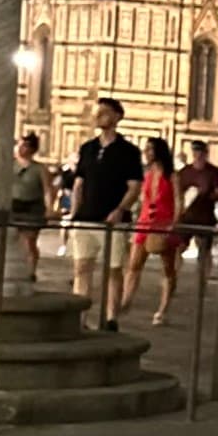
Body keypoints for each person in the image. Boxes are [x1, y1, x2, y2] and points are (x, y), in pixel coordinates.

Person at [64, 98, 142, 328]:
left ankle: (110, 318)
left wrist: (120, 210)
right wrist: (74, 214)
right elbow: (79, 184)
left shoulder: (129, 152)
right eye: (97, 112)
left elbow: (134, 187)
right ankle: (81, 317)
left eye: (105, 112)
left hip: (112, 221)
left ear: (118, 116)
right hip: (85, 219)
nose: (98, 116)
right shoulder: (88, 148)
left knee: (113, 269)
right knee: (81, 267)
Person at [116, 135, 180, 326]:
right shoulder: (145, 173)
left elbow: (178, 200)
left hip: (163, 223)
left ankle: (163, 309)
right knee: (133, 265)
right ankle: (126, 301)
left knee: (168, 269)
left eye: (149, 149)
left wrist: (174, 224)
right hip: (144, 222)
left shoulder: (172, 175)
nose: (146, 152)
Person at [177, 139, 218, 266]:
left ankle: (203, 280)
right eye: (195, 151)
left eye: (200, 152)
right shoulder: (185, 172)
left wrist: (206, 195)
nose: (198, 155)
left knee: (204, 250)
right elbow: (177, 192)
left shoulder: (213, 172)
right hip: (186, 216)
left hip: (205, 216)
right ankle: (173, 276)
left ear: (205, 154)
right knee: (178, 247)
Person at [10, 131, 51, 280]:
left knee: (29, 240)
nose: (20, 148)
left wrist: (49, 207)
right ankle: (16, 266)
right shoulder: (9, 165)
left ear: (32, 149)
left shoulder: (39, 169)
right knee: (14, 238)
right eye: (19, 144)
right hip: (14, 204)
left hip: (33, 206)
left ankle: (30, 269)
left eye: (24, 145)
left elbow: (47, 189)